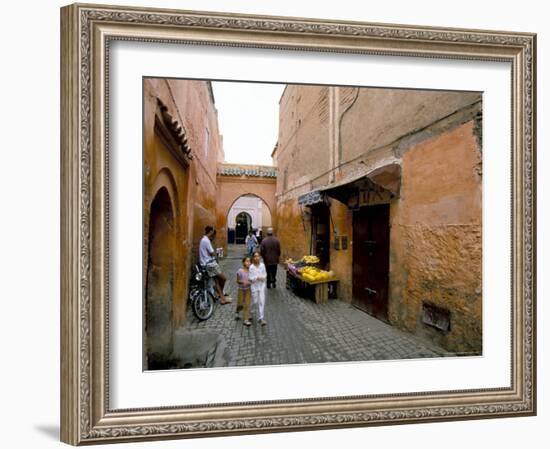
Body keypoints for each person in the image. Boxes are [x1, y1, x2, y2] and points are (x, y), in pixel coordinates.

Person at [199, 226, 232, 304]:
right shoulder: (206, 241)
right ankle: (220, 294)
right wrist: (214, 254)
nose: (213, 233)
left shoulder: (203, 240)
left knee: (216, 281)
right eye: (212, 231)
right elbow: (212, 252)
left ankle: (222, 298)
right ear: (210, 231)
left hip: (206, 263)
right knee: (223, 278)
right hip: (210, 264)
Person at [249, 251, 267, 326]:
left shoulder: (262, 265)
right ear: (253, 258)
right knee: (255, 301)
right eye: (255, 256)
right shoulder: (251, 267)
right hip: (254, 286)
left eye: (258, 256)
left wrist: (263, 278)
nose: (257, 258)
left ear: (260, 257)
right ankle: (250, 311)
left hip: (262, 285)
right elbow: (250, 278)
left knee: (261, 301)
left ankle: (261, 318)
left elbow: (265, 274)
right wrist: (257, 277)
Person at [235, 256, 252, 326]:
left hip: (248, 290)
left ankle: (246, 319)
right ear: (243, 262)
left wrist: (249, 282)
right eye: (247, 261)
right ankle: (237, 311)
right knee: (240, 304)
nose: (248, 263)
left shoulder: (251, 271)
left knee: (247, 304)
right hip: (241, 290)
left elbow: (252, 281)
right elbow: (237, 280)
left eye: (249, 261)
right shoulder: (240, 271)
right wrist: (241, 281)